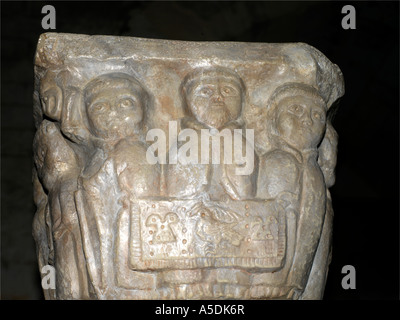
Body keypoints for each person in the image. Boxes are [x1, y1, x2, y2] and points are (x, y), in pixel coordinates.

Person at [255, 82, 329, 299]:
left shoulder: (314, 170)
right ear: (273, 118)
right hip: (269, 279)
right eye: (296, 109)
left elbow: (319, 250)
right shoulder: (274, 161)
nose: (307, 119)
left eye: (317, 115)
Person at [166, 67, 257, 201]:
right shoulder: (184, 144)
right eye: (205, 91)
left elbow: (246, 195)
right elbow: (177, 197)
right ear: (187, 99)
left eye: (227, 91)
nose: (218, 97)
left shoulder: (241, 144)